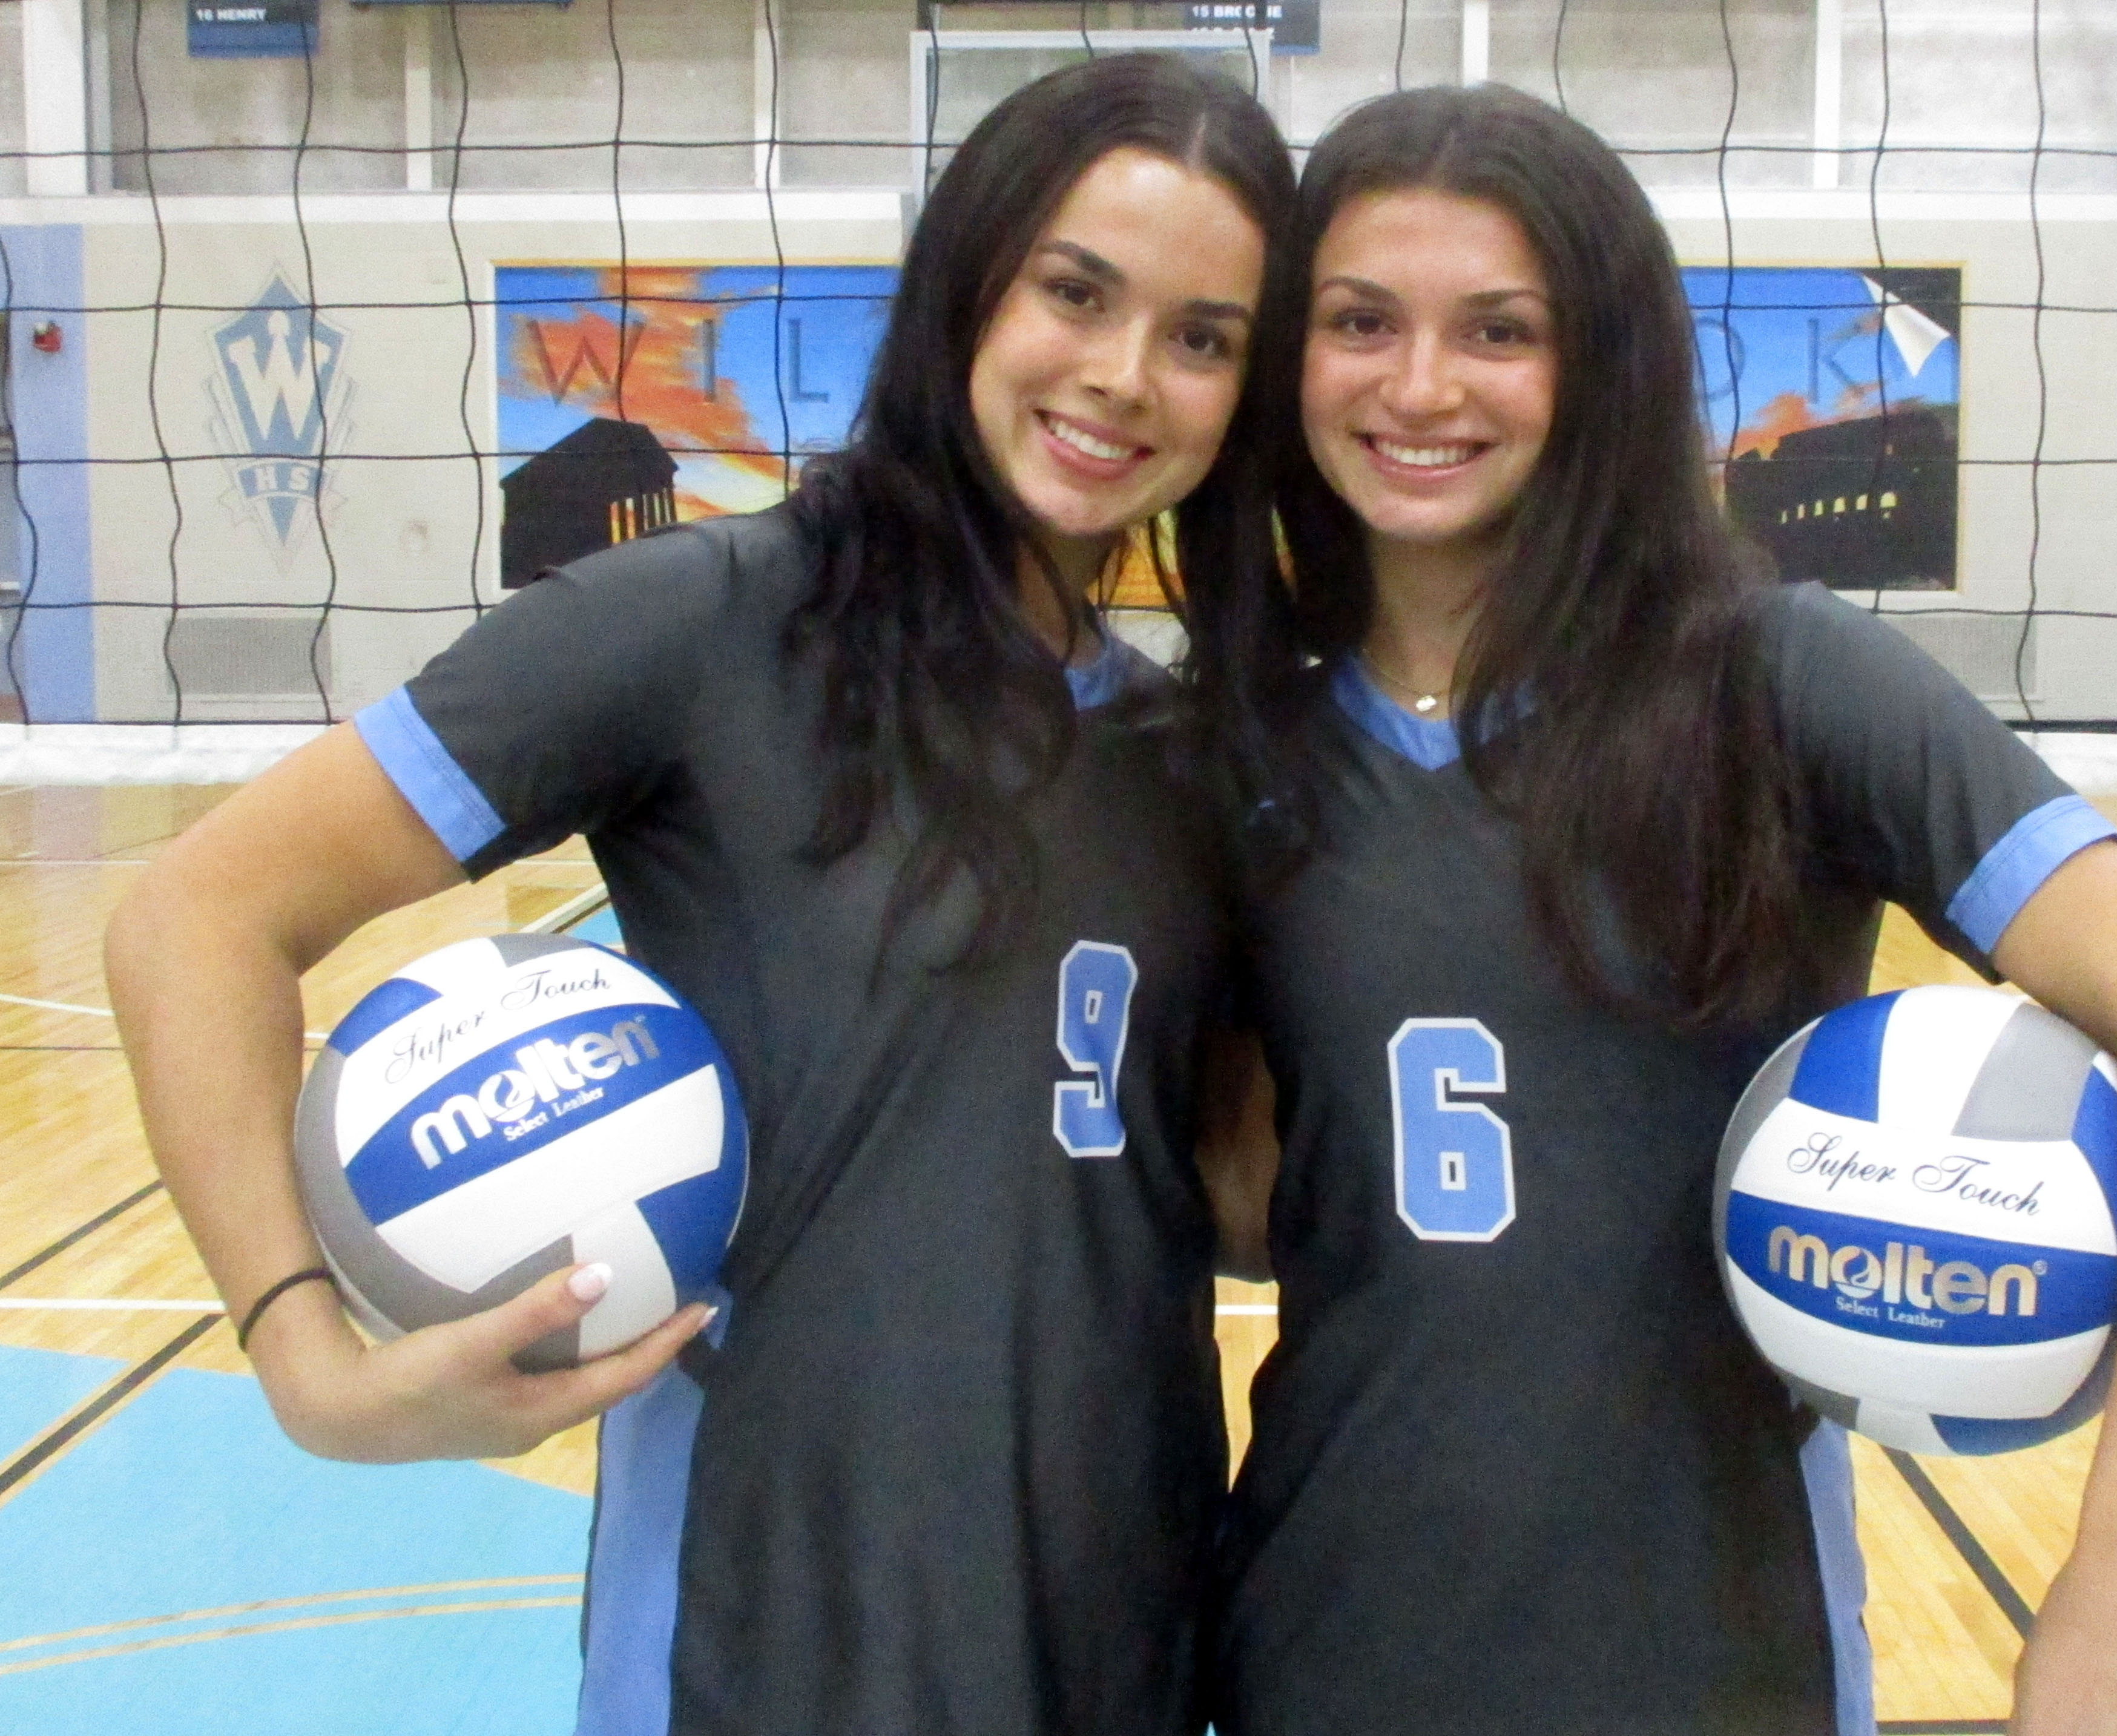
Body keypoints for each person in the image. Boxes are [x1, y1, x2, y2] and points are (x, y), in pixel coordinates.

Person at [105, 53, 1294, 1736]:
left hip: (1122, 1630)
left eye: (1202, 337)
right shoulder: (711, 624)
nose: (1121, 376)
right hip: (764, 1635)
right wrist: (308, 1355)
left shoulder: (1192, 745)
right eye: (1074, 292)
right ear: (970, 279)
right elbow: (197, 915)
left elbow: (1212, 1188)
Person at [1182, 85, 2117, 1736]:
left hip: (1716, 1655)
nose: (1418, 385)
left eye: (1500, 330)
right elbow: (1257, 1196)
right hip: (1314, 1635)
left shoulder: (1773, 682)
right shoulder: (1247, 747)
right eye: (1360, 323)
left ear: (1605, 366)